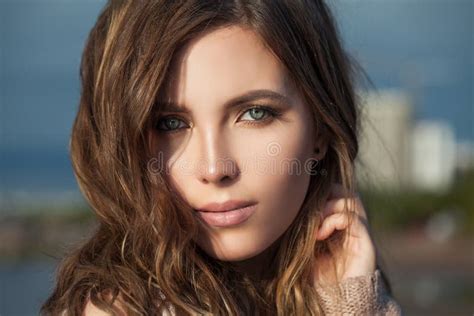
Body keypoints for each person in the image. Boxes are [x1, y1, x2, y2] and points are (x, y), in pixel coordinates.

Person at [41, 0, 403, 315]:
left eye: (256, 114)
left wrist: (350, 301)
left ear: (320, 131)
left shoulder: (348, 281)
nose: (215, 168)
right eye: (169, 123)